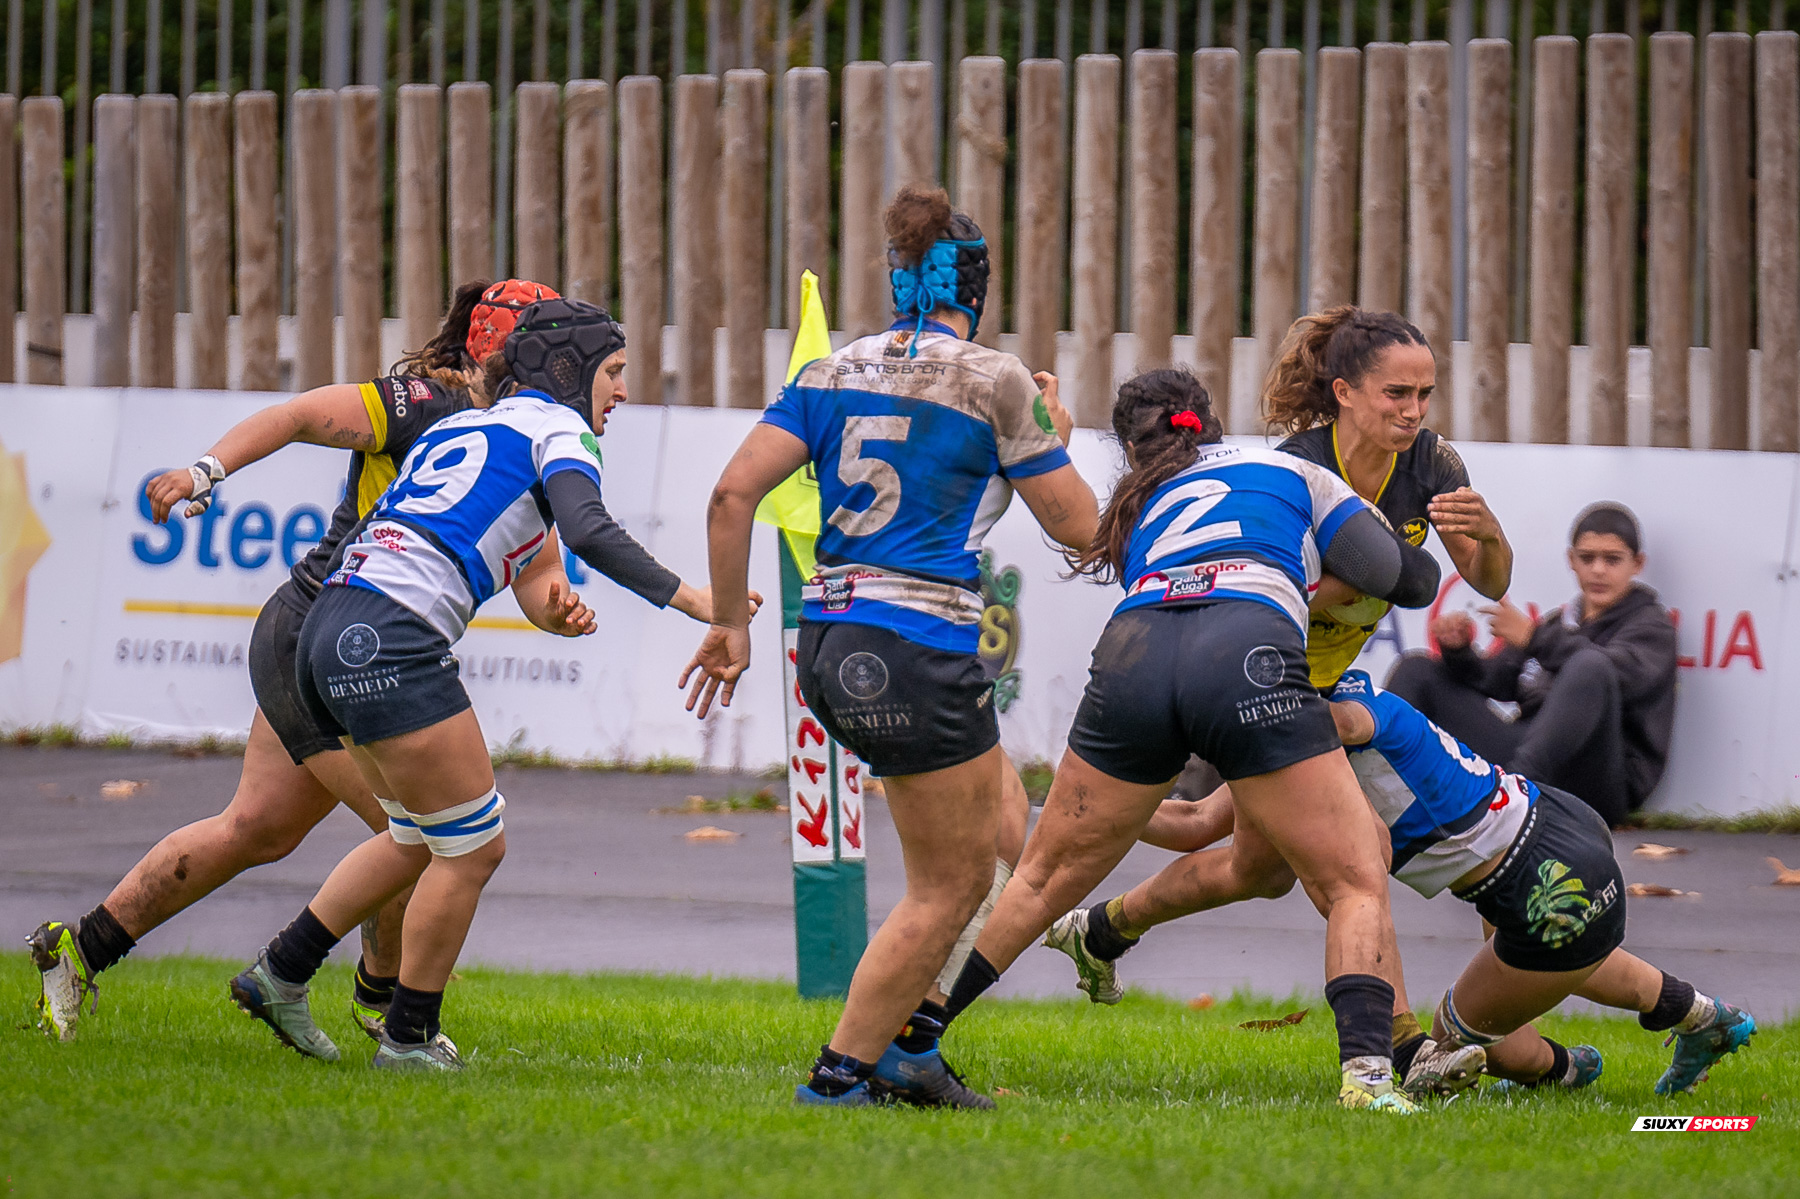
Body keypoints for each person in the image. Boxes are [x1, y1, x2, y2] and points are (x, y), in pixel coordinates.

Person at [27, 278, 559, 1043]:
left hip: (321, 640)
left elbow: (542, 576)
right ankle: (373, 1003)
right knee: (426, 829)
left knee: (256, 826)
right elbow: (301, 413)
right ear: (507, 353)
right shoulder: (420, 403)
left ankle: (77, 948)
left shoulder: (525, 439)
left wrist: (563, 612)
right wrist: (203, 472)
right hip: (326, 635)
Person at [226, 298, 730, 1071]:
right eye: (617, 372)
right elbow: (588, 527)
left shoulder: (465, 422)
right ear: (570, 371)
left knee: (410, 836)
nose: (623, 392)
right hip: (391, 635)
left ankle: (283, 970)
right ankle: (408, 1037)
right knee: (474, 847)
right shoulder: (560, 428)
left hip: (325, 623)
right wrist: (698, 601)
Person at [681, 185, 1098, 1109]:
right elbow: (1076, 527)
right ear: (974, 288)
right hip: (916, 641)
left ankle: (914, 1039)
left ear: (899, 277)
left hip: (830, 634)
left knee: (999, 824)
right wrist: (1053, 435)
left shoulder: (830, 371)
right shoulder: (997, 378)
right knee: (948, 886)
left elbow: (729, 496)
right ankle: (844, 1076)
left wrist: (730, 622)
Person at [933, 367, 1445, 1114]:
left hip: (1136, 650)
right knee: (1353, 875)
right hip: (1248, 650)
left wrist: (1053, 441)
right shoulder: (1290, 469)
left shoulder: (1135, 503)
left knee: (1041, 880)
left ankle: (906, 1037)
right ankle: (1367, 1080)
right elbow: (1406, 578)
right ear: (1207, 419)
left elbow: (1068, 522)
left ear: (1129, 449)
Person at [1047, 670, 1756, 1099]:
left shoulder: (1339, 720)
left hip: (1539, 873)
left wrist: (1232, 711)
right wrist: (1102, 798)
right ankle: (1706, 1018)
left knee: (1450, 1042)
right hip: (1553, 826)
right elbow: (1199, 820)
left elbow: (1351, 723)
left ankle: (1567, 1072)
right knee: (1553, 974)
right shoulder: (1301, 746)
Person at [1386, 502, 1678, 826]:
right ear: (1571, 560)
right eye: (1587, 558)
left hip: (1596, 783)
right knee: (1418, 669)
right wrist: (1459, 652)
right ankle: (1374, 788)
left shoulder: (1652, 626)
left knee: (1591, 666)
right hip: (1527, 762)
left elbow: (1621, 677)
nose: (1598, 570)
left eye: (1612, 560)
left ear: (1637, 564)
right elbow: (1497, 683)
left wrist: (1533, 637)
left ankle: (1510, 801)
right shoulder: (1559, 622)